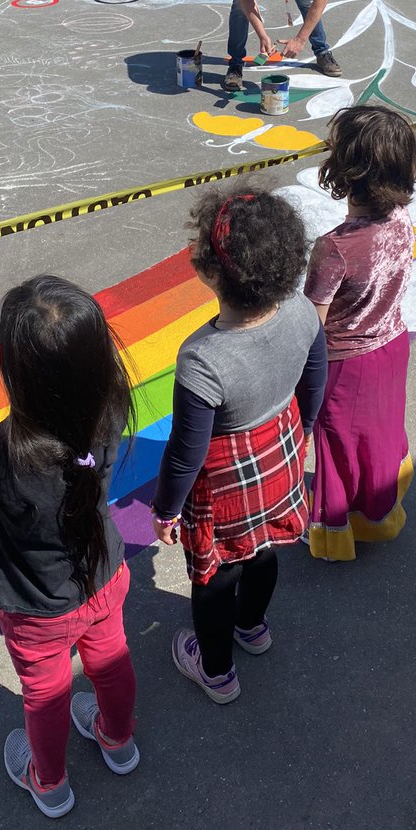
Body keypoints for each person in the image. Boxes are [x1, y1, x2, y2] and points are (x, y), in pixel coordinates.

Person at [0, 275, 138, 820]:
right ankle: (118, 741)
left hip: (37, 607)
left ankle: (49, 782)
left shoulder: (2, 452)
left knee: (45, 693)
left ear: (18, 376)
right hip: (105, 574)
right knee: (111, 661)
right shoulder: (114, 402)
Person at [151, 187, 328, 703]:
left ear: (209, 272)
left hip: (225, 484)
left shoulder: (202, 358)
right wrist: (305, 428)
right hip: (282, 449)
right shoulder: (300, 310)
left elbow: (186, 451)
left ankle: (217, 671)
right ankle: (252, 627)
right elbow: (314, 379)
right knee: (266, 548)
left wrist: (167, 509)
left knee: (215, 573)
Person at [303, 107, 416, 563]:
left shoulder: (335, 246)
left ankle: (338, 534)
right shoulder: (402, 216)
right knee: (379, 436)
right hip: (392, 343)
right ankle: (378, 512)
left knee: (337, 451)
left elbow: (310, 323)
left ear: (345, 167)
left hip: (345, 363)